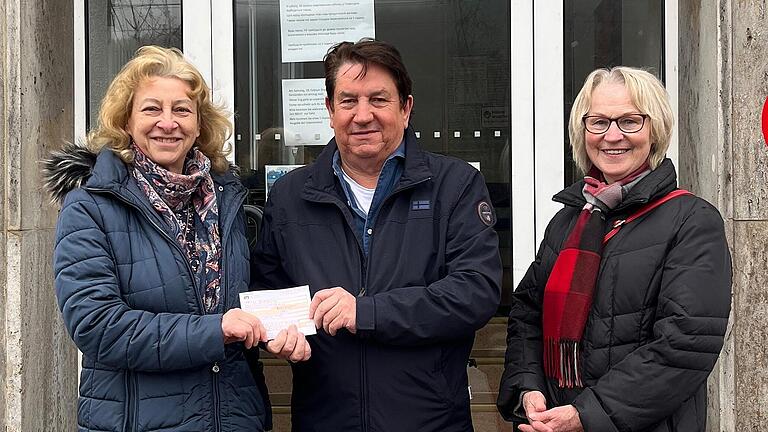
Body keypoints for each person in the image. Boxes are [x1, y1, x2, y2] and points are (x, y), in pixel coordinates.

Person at [43, 45, 310, 432]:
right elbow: (97, 326)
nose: (168, 122)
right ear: (126, 121)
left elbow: (243, 303)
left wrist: (278, 332)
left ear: (199, 124)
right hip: (137, 421)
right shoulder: (91, 206)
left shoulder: (225, 199)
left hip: (233, 418)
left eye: (182, 110)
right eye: (152, 109)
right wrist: (215, 330)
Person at [251, 38, 502, 431]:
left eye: (378, 100)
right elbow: (268, 292)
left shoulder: (454, 186)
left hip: (430, 420)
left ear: (406, 108)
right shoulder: (290, 196)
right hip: (325, 419)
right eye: (348, 101)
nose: (362, 115)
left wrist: (366, 312)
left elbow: (475, 292)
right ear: (330, 110)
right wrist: (277, 335)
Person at [496, 66, 732, 432]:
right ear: (582, 131)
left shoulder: (691, 221)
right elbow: (528, 313)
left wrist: (584, 416)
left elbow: (683, 344)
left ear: (655, 130)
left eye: (630, 121)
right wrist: (528, 387)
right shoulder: (570, 221)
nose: (613, 136)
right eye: (599, 122)